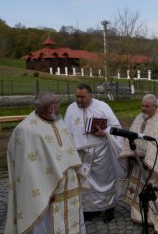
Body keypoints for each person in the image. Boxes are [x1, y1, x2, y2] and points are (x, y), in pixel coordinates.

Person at [5, 92, 86, 234]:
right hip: (46, 190)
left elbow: (69, 150)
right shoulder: (25, 131)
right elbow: (26, 168)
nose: (60, 105)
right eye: (57, 102)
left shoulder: (59, 122)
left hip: (69, 186)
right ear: (50, 107)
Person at [119, 94, 158, 233]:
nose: (143, 109)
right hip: (137, 162)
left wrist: (147, 161)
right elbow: (131, 137)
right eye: (142, 105)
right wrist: (132, 156)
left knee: (156, 194)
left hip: (154, 167)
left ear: (155, 107)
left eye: (146, 106)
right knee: (139, 190)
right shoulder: (138, 118)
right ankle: (143, 218)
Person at [64, 83, 124, 222]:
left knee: (105, 181)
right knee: (84, 183)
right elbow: (66, 130)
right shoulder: (71, 109)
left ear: (90, 95)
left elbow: (115, 127)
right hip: (80, 153)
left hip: (100, 152)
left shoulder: (102, 107)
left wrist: (104, 133)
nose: (79, 100)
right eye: (77, 96)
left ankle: (109, 208)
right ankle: (90, 210)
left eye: (82, 97)